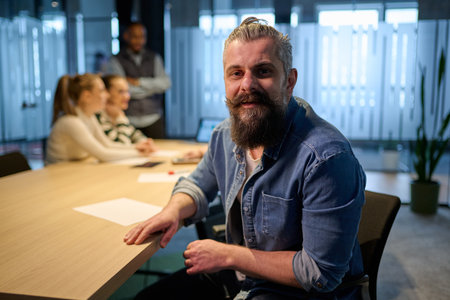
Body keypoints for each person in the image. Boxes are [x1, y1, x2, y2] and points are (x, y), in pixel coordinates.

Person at [124, 17, 366, 300]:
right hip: (243, 275)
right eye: (235, 73)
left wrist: (229, 255)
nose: (247, 85)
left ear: (289, 81)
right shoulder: (225, 134)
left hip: (298, 291)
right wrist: (174, 210)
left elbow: (319, 273)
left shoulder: (326, 158)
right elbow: (199, 183)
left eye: (262, 71)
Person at [46, 73, 150, 165]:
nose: (107, 95)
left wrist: (136, 147)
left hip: (74, 169)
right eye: (101, 91)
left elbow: (107, 144)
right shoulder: (71, 121)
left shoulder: (89, 117)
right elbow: (103, 154)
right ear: (87, 96)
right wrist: (139, 153)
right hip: (59, 172)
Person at [105, 22, 171, 139]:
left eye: (142, 37)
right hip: (130, 118)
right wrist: (152, 89)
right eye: (135, 37)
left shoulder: (154, 57)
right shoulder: (116, 60)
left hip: (154, 118)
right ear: (126, 36)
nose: (139, 41)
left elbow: (165, 84)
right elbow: (119, 89)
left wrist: (139, 82)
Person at [96, 74, 156, 153]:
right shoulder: (99, 116)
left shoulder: (115, 114)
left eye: (127, 91)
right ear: (107, 93)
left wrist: (146, 144)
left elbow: (136, 135)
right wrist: (120, 118)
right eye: (121, 92)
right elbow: (122, 145)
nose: (127, 96)